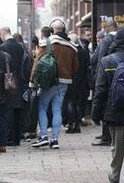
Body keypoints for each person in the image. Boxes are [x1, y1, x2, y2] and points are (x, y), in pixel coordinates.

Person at [92, 25, 124, 183]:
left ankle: (114, 176)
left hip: (114, 112)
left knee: (117, 149)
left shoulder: (107, 60)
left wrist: (95, 113)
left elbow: (100, 90)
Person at [30, 20, 79, 149]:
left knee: (42, 106)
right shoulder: (72, 46)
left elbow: (37, 62)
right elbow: (76, 67)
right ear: (64, 30)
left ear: (52, 30)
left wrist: (32, 80)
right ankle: (55, 140)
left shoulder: (47, 43)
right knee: (57, 108)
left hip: (49, 81)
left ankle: (44, 136)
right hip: (65, 82)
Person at [91, 20, 118, 147]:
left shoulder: (106, 40)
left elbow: (98, 58)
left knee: (104, 104)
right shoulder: (120, 38)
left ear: (107, 28)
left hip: (106, 73)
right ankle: (108, 134)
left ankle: (106, 136)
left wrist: (97, 75)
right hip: (119, 75)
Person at [0, 27, 25, 147]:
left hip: (8, 82)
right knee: (18, 110)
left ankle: (9, 138)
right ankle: (17, 138)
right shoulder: (20, 46)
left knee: (8, 110)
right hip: (19, 81)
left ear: (3, 34)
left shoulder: (3, 47)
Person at [63, 33, 90, 134]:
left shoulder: (69, 51)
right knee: (78, 103)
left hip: (71, 80)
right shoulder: (83, 51)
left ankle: (71, 124)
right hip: (82, 81)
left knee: (70, 102)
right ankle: (77, 125)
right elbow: (87, 65)